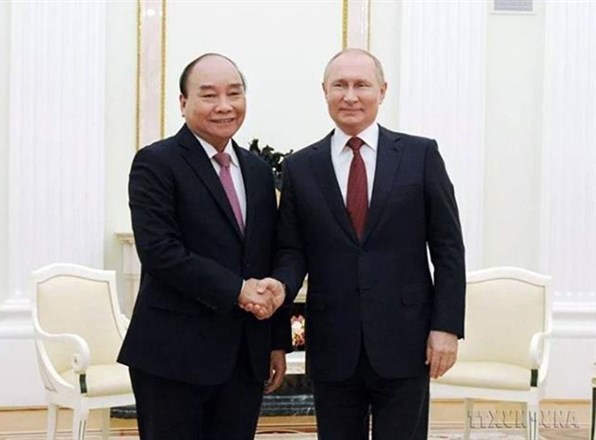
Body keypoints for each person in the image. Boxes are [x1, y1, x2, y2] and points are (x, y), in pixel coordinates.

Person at [271, 48, 466, 439]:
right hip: (332, 341)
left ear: (383, 90)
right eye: (339, 85)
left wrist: (446, 327)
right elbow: (291, 252)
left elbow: (448, 248)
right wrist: (277, 292)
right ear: (324, 91)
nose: (350, 96)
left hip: (407, 338)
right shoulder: (299, 167)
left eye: (362, 85)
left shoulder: (420, 155)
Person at [118, 53, 289, 440]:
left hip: (244, 357)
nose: (224, 106)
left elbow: (266, 255)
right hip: (173, 355)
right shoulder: (156, 163)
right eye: (209, 95)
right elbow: (161, 251)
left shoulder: (260, 172)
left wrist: (275, 343)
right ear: (183, 103)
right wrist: (237, 290)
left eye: (234, 93)